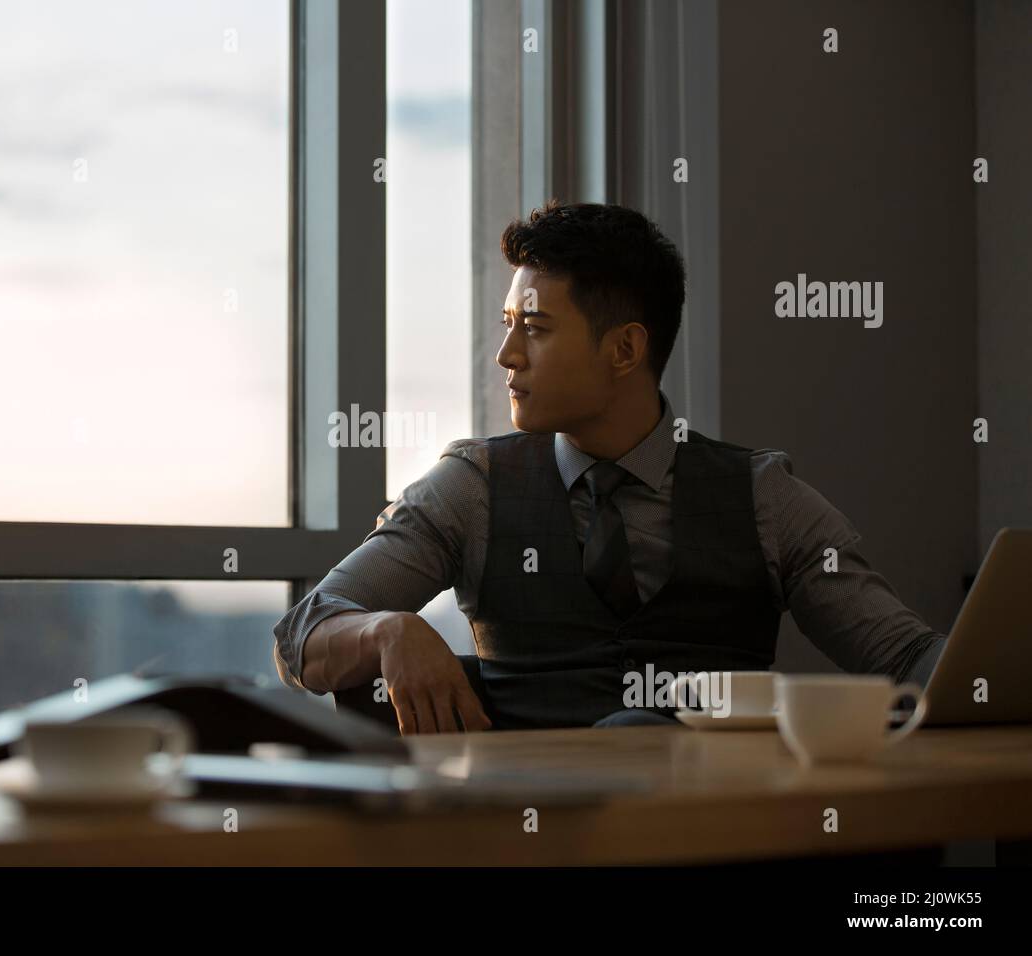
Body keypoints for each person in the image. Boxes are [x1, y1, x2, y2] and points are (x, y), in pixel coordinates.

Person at [273, 200, 947, 735]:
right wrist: (388, 627)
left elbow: (905, 659)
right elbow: (303, 634)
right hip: (537, 842)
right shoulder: (473, 487)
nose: (506, 355)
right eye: (509, 324)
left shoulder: (762, 495)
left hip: (718, 839)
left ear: (624, 349)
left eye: (534, 329)